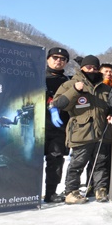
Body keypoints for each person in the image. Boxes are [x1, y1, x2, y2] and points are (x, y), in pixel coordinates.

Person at [52, 55, 112, 204]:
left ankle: (100, 190)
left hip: (102, 132)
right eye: (89, 67)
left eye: (95, 68)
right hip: (81, 132)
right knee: (77, 164)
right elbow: (59, 104)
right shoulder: (70, 84)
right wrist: (74, 90)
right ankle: (71, 192)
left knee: (100, 164)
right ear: (82, 68)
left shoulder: (105, 87)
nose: (92, 70)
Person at [43, 47, 71, 204]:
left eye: (62, 59)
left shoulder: (68, 81)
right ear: (48, 59)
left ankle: (50, 193)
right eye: (55, 57)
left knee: (56, 160)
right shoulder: (36, 77)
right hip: (36, 126)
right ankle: (26, 193)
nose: (58, 60)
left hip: (59, 128)